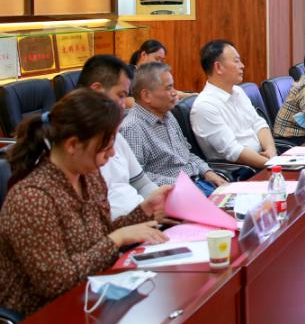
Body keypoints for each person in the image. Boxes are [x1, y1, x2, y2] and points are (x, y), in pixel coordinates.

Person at [0, 90, 168, 317]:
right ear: (73, 145)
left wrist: (144, 210)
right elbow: (56, 282)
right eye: (106, 145)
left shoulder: (89, 177)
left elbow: (101, 236)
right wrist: (117, 239)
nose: (112, 153)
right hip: (41, 317)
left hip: (92, 295)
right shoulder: (32, 199)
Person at [78, 54, 169, 220]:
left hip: (143, 220)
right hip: (122, 228)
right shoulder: (74, 145)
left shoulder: (115, 134)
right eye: (120, 95)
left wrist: (162, 205)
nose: (124, 104)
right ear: (96, 90)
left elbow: (142, 183)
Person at [120, 62, 229, 194]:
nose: (174, 93)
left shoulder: (168, 115)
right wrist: (181, 185)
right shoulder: (132, 128)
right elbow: (137, 178)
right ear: (146, 95)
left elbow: (186, 154)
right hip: (173, 192)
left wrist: (207, 172)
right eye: (169, 88)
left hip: (197, 182)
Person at [191, 39, 277, 167]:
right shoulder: (205, 106)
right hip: (243, 170)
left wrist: (271, 151)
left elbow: (259, 124)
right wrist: (273, 165)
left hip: (264, 161)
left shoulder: (238, 91)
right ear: (218, 67)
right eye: (236, 61)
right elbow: (234, 151)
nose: (242, 65)